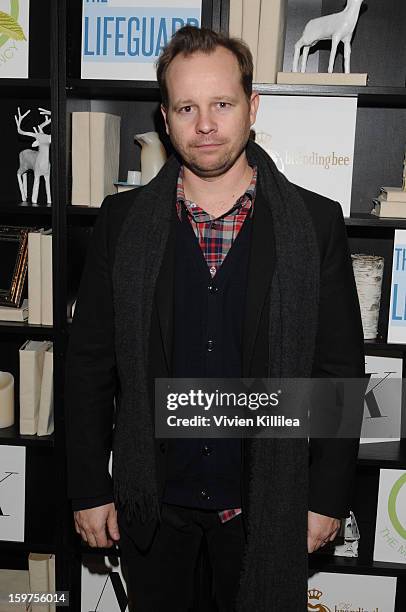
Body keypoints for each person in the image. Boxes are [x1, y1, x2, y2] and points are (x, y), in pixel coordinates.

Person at [65, 25, 365, 612]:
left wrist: (326, 500)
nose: (205, 124)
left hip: (265, 507)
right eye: (187, 107)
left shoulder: (315, 224)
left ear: (252, 108)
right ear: (165, 117)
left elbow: (338, 374)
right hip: (150, 507)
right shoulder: (123, 223)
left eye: (222, 104)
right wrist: (87, 489)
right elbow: (89, 365)